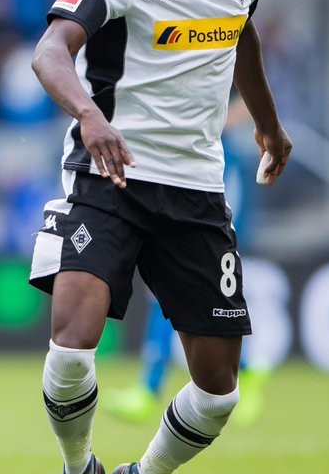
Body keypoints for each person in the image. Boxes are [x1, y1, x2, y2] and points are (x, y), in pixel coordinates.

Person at [24, 0, 292, 474]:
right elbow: (49, 51)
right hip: (108, 177)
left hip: (197, 192)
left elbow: (240, 37)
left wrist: (267, 126)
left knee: (218, 392)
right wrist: (89, 114)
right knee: (71, 347)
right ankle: (77, 472)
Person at [103, 97, 271, 427]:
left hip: (215, 178)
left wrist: (214, 118)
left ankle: (239, 372)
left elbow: (257, 94)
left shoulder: (223, 74)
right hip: (181, 171)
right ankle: (152, 387)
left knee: (202, 287)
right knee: (165, 287)